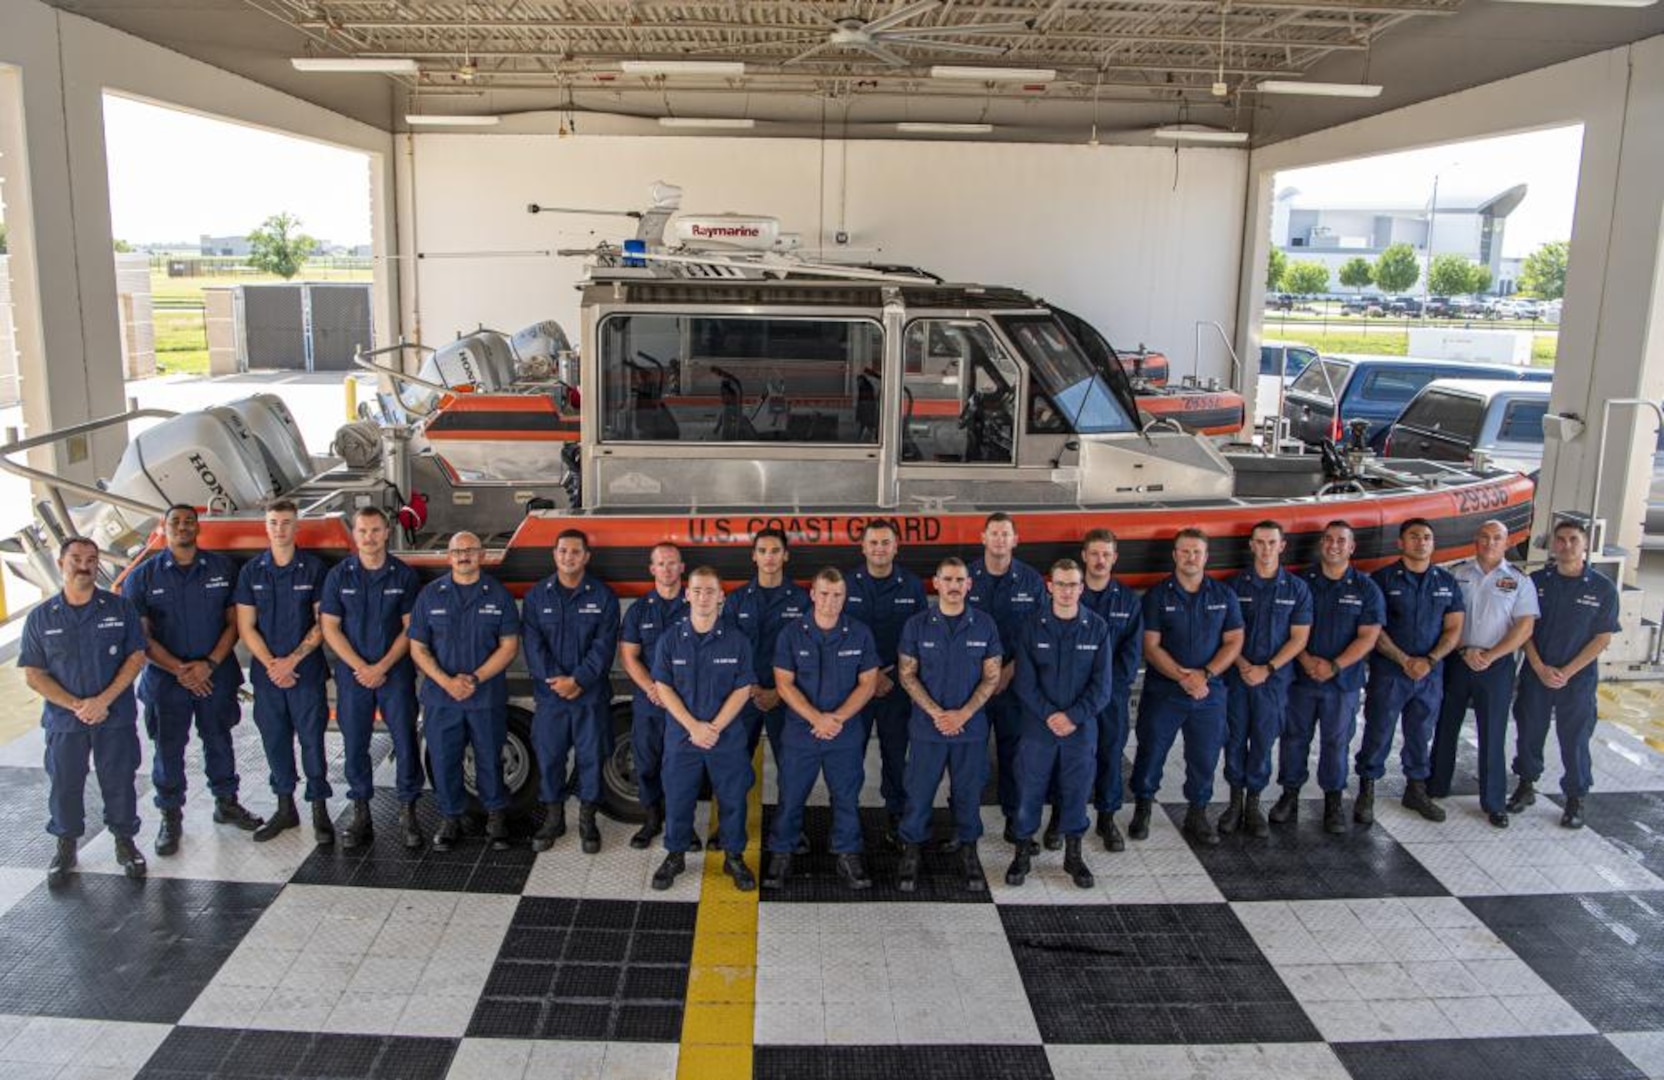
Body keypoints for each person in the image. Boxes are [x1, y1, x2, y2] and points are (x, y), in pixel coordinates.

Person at [123, 504, 262, 855]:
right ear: (163, 527)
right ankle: (171, 816)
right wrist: (181, 671)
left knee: (219, 738)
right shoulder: (142, 577)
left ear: (197, 528)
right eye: (176, 522)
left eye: (189, 522)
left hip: (215, 675)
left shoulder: (221, 568)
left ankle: (226, 802)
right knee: (168, 748)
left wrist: (209, 665)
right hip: (167, 681)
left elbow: (234, 624)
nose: (183, 527)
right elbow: (141, 637)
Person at [21, 538, 149, 884]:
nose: (84, 565)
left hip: (114, 716)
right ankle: (66, 845)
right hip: (65, 722)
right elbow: (34, 674)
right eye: (76, 558)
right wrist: (77, 705)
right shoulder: (40, 617)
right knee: (65, 783)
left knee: (120, 779)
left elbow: (136, 657)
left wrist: (103, 701)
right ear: (61, 562)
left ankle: (125, 842)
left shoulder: (119, 609)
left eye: (91, 559)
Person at [763, 567, 880, 891]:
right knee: (790, 796)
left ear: (845, 596)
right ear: (813, 594)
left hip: (844, 732)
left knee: (846, 796)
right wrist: (816, 718)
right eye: (824, 594)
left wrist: (837, 718)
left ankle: (847, 853)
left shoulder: (859, 633)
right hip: (802, 732)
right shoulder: (790, 634)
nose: (830, 602)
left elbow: (868, 682)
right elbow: (783, 684)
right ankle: (782, 852)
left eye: (837, 595)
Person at [895, 557, 1004, 893]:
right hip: (928, 728)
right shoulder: (916, 625)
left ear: (968, 585)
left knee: (969, 793)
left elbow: (992, 676)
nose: (954, 586)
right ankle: (911, 851)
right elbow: (906, 674)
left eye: (960, 580)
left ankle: (969, 850)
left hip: (970, 729)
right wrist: (937, 713)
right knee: (918, 792)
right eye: (948, 580)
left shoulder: (985, 625)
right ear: (936, 584)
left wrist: (963, 714)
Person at [1129, 528, 1244, 845]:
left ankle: (1198, 812)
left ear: (1206, 557)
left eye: (1196, 552)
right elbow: (1150, 646)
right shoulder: (1157, 596)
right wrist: (1183, 677)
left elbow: (1234, 640)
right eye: (1184, 551)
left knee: (1204, 756)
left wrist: (1204, 675)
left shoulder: (1224, 596)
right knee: (1151, 751)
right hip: (1165, 692)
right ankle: (1143, 808)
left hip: (1209, 693)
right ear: (1175, 555)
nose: (1190, 557)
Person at [407, 532, 520, 851]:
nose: (464, 556)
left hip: (485, 696)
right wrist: (447, 682)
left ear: (482, 555)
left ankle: (496, 817)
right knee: (444, 759)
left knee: (489, 758)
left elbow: (509, 646)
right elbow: (417, 647)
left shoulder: (498, 595)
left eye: (470, 550)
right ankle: (450, 817)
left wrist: (473, 679)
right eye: (457, 551)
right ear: (448, 557)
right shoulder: (430, 595)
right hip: (442, 698)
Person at [320, 506, 424, 850]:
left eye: (376, 530)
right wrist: (360, 667)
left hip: (394, 673)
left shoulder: (404, 576)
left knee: (405, 741)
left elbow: (411, 629)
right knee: (355, 744)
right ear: (354, 533)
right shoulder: (339, 576)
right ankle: (360, 812)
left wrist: (381, 667)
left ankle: (408, 812)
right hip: (353, 675)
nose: (369, 537)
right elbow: (330, 628)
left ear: (387, 531)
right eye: (363, 531)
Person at [1005, 559, 1112, 890]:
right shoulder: (1031, 626)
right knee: (1029, 791)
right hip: (1038, 727)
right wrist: (1050, 714)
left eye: (1073, 585)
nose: (1066, 591)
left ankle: (1073, 855)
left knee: (1077, 792)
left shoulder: (1097, 628)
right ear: (1049, 586)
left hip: (1080, 730)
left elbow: (1102, 686)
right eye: (1060, 584)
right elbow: (1024, 682)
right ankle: (1022, 852)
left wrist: (1073, 717)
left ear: (1082, 588)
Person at [650, 566, 758, 892]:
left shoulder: (737, 641)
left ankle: (734, 856)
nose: (703, 596)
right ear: (687, 594)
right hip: (683, 736)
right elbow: (663, 686)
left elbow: (743, 688)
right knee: (679, 796)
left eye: (710, 590)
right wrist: (693, 727)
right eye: (697, 590)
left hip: (725, 737)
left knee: (733, 797)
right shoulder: (670, 639)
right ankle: (676, 854)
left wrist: (714, 728)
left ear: (721, 596)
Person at [1274, 521, 1384, 833]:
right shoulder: (1300, 584)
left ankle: (1333, 801)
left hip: (1343, 683)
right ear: (1321, 544)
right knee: (1294, 738)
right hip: (1301, 678)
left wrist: (1334, 666)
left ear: (1351, 548)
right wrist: (1307, 661)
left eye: (1341, 541)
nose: (1334, 545)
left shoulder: (1366, 588)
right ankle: (1289, 794)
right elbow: (1289, 629)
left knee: (1336, 742)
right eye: (1329, 540)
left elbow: (1368, 636)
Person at [234, 500, 333, 846]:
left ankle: (320, 810)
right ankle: (285, 808)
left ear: (297, 527)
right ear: (266, 526)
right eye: (274, 522)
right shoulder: (251, 573)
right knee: (275, 742)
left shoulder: (314, 570)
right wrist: (274, 666)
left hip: (305, 674)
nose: (280, 529)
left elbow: (323, 623)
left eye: (287, 522)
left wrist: (291, 661)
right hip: (268, 677)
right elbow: (246, 627)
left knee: (312, 742)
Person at [1510, 520, 1620, 829]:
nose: (1566, 545)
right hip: (1537, 673)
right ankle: (1525, 785)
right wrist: (1539, 667)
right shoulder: (1536, 582)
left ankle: (1575, 797)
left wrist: (1566, 672)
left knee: (1575, 738)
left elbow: (1602, 638)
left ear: (1585, 545)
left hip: (1577, 679)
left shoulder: (1602, 588)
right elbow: (1524, 628)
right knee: (1530, 731)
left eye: (1573, 539)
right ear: (1553, 544)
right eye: (1560, 539)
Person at [1356, 518, 1465, 827]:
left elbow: (1454, 627)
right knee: (1379, 731)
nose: (1421, 542)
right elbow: (1373, 628)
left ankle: (1416, 789)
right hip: (1390, 672)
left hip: (1430, 674)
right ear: (1400, 543)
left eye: (1427, 537)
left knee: (1421, 733)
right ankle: (1367, 789)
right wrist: (1404, 660)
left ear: (1433, 543)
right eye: (1414, 536)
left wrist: (1429, 660)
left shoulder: (1446, 582)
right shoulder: (1381, 580)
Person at [1431, 519, 1539, 827]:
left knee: (1492, 732)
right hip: (1458, 658)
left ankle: (1493, 802)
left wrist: (1491, 655)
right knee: (1445, 726)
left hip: (1497, 664)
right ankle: (1436, 785)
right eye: (1484, 537)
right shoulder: (1457, 574)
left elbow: (1524, 627)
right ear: (1475, 541)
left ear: (1506, 543)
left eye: (1497, 538)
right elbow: (1446, 618)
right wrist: (1464, 650)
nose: (1490, 543)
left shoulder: (1519, 580)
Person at [522, 529, 621, 854]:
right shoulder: (537, 596)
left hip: (589, 696)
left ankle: (587, 820)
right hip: (551, 697)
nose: (569, 557)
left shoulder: (603, 597)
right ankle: (554, 819)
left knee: (592, 758)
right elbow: (533, 647)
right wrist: (558, 681)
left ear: (586, 557)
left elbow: (604, 648)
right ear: (555, 554)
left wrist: (578, 680)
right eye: (563, 551)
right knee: (550, 758)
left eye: (575, 552)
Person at [1221, 521, 1312, 838]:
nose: (1265, 549)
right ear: (1251, 545)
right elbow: (1228, 634)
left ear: (1282, 546)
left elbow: (1299, 638)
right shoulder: (1234, 587)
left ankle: (1254, 804)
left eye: (1272, 543)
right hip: (1237, 676)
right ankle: (1234, 803)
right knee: (1233, 739)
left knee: (1263, 741)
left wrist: (1268, 669)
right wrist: (1245, 665)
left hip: (1273, 681)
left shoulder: (1297, 589)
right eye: (1259, 542)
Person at [843, 518, 927, 843]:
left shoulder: (912, 585)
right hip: (855, 687)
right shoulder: (847, 584)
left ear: (896, 546)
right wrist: (870, 674)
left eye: (885, 543)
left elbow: (919, 635)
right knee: (851, 755)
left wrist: (891, 673)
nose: (879, 549)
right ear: (863, 547)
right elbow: (841, 635)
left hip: (897, 686)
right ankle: (848, 817)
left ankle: (896, 813)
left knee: (896, 755)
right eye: (873, 543)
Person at [965, 512, 1045, 843]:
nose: (1000, 540)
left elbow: (1039, 636)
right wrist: (985, 678)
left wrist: (1009, 672)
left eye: (1005, 534)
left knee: (1016, 755)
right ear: (982, 538)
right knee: (969, 755)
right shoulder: (965, 577)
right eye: (994, 534)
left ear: (1015, 540)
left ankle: (1016, 819)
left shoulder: (1031, 581)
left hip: (1015, 683)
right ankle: (964, 822)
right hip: (972, 685)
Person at [619, 542, 689, 850]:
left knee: (684, 767)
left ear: (682, 568)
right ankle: (651, 818)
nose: (667, 569)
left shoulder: (695, 605)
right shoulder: (639, 610)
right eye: (661, 564)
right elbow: (630, 656)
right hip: (650, 703)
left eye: (673, 563)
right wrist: (651, 688)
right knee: (648, 763)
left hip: (687, 705)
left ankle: (682, 823)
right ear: (652, 569)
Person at [724, 528, 808, 775]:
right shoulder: (737, 600)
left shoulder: (802, 601)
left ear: (786, 556)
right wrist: (750, 687)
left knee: (791, 770)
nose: (769, 557)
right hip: (744, 697)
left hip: (788, 698)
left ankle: (789, 815)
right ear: (754, 556)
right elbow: (727, 651)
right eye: (762, 551)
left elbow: (807, 654)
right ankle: (733, 815)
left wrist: (779, 692)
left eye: (775, 551)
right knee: (734, 769)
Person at [1080, 528, 1143, 852]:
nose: (1100, 560)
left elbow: (1130, 657)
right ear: (1084, 557)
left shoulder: (1128, 601)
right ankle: (1064, 815)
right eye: (1094, 553)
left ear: (1114, 558)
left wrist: (1101, 692)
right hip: (1072, 699)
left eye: (1106, 554)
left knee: (1110, 756)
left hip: (1111, 698)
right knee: (1070, 759)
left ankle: (1107, 818)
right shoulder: (1069, 594)